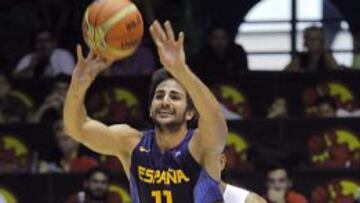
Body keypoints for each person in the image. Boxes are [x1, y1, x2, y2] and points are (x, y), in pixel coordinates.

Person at [64, 20, 228, 203]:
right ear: (150, 109)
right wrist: (77, 87)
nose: (165, 101)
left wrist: (181, 71)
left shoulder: (201, 144)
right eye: (159, 96)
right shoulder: (131, 143)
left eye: (174, 96)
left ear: (190, 113)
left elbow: (213, 116)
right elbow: (77, 128)